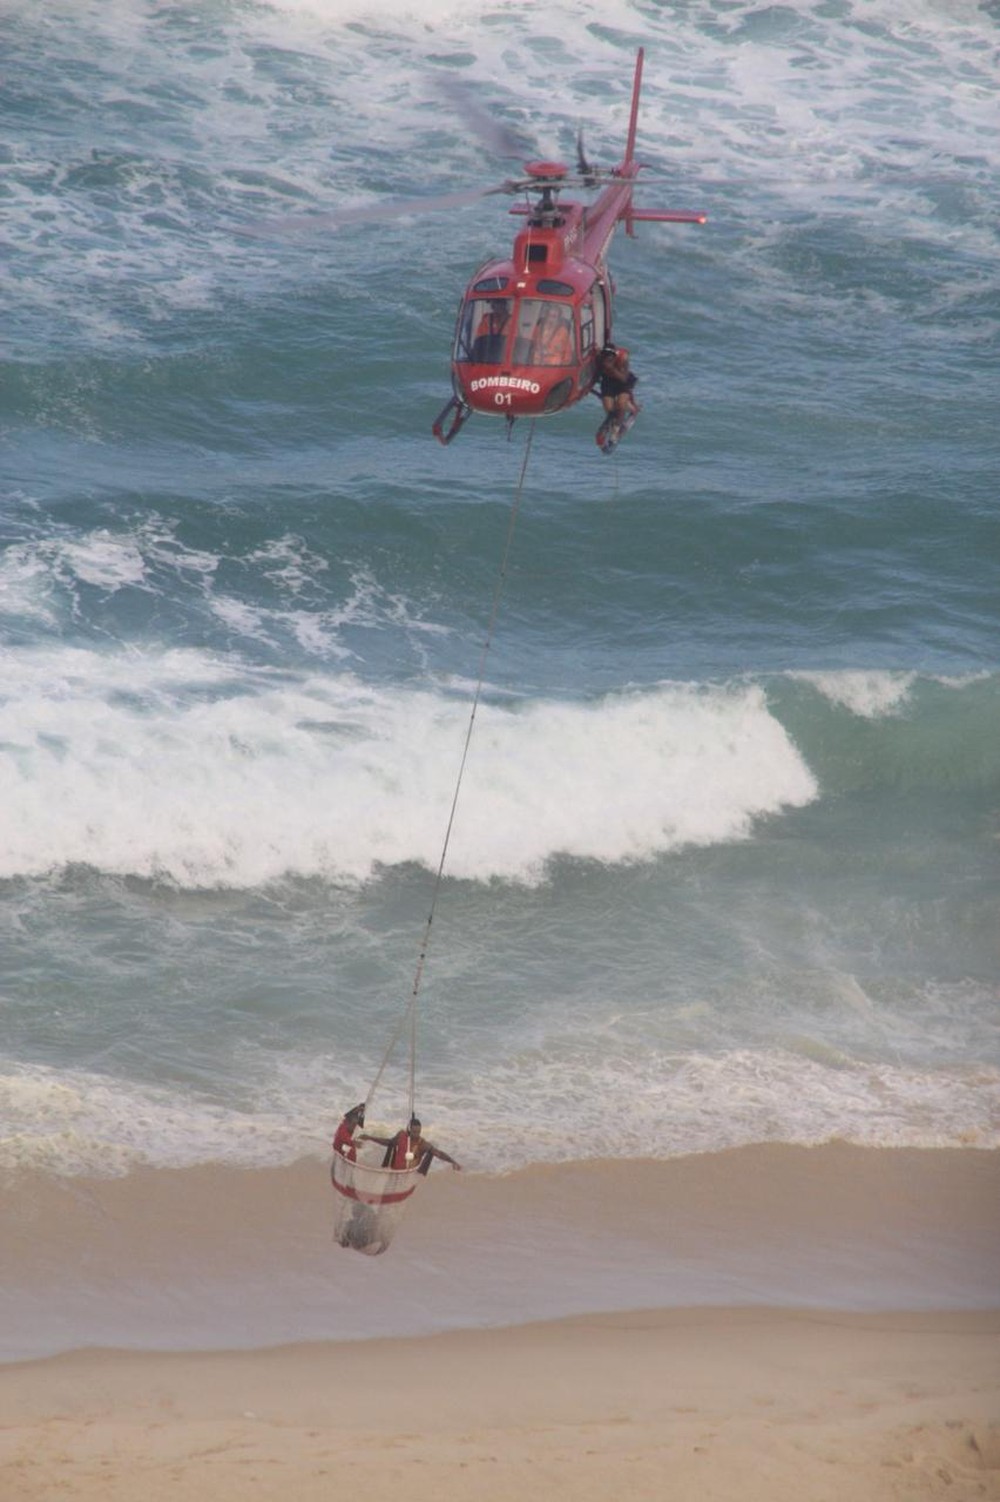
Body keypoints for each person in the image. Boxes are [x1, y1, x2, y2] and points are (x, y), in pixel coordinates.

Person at [362, 1115, 462, 1176]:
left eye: (419, 1132)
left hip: (408, 1175)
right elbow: (389, 1142)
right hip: (395, 1172)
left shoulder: (422, 1144)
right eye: (414, 1132)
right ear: (409, 1130)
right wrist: (370, 1138)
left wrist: (453, 1162)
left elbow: (438, 1153)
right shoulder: (401, 1135)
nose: (416, 1134)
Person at [596, 341, 639, 421]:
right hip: (608, 380)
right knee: (609, 408)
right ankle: (614, 419)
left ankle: (618, 423)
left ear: (614, 356)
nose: (607, 361)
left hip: (622, 380)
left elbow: (623, 379)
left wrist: (612, 369)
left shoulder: (623, 358)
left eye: (610, 359)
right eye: (605, 358)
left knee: (621, 403)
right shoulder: (600, 358)